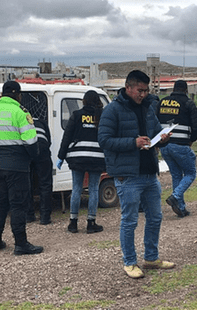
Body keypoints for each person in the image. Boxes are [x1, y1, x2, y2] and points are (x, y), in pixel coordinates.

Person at [98, 70, 175, 279]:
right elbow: (104, 140)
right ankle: (129, 262)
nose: (143, 94)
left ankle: (151, 258)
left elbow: (156, 130)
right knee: (130, 220)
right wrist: (133, 143)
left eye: (146, 90)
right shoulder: (112, 110)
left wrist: (163, 137)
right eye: (139, 90)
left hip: (150, 173)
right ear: (128, 88)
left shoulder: (149, 108)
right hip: (127, 175)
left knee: (155, 217)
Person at [0, 80, 43, 255]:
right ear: (18, 95)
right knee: (18, 204)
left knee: (0, 204)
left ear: (2, 95)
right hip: (18, 166)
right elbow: (31, 142)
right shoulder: (21, 113)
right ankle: (21, 244)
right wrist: (32, 158)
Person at [57, 90, 105, 234]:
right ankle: (91, 223)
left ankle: (73, 223)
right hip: (96, 158)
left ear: (84, 101)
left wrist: (61, 156)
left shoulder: (77, 115)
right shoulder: (101, 116)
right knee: (94, 189)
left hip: (77, 157)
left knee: (77, 188)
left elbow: (67, 137)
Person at [156, 80, 197, 217]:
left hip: (164, 145)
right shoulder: (188, 103)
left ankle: (180, 208)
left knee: (176, 175)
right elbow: (196, 125)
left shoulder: (162, 102)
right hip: (181, 145)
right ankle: (175, 196)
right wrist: (191, 140)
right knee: (190, 173)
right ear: (185, 90)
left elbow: (154, 121)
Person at [26, 118, 53, 225]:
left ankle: (29, 215)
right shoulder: (42, 122)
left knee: (27, 183)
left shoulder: (21, 119)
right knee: (45, 183)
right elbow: (49, 140)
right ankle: (45, 217)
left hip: (28, 148)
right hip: (43, 149)